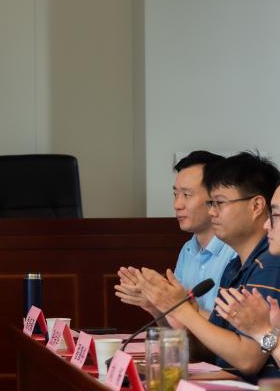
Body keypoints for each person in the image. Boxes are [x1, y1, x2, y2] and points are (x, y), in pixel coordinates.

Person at [137, 152, 280, 379]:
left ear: (256, 206)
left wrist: (183, 310)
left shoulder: (270, 264)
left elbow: (247, 361)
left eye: (219, 203)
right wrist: (171, 314)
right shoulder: (234, 266)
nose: (212, 211)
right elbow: (215, 353)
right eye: (211, 203)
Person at [115, 151, 235, 316]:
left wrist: (176, 306)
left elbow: (231, 327)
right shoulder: (188, 249)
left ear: (216, 198)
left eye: (187, 195)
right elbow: (177, 326)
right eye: (175, 194)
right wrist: (154, 305)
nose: (177, 205)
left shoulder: (236, 252)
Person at [214, 182, 280, 372]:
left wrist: (262, 330)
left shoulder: (270, 265)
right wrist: (267, 333)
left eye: (276, 215)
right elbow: (271, 344)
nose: (267, 225)